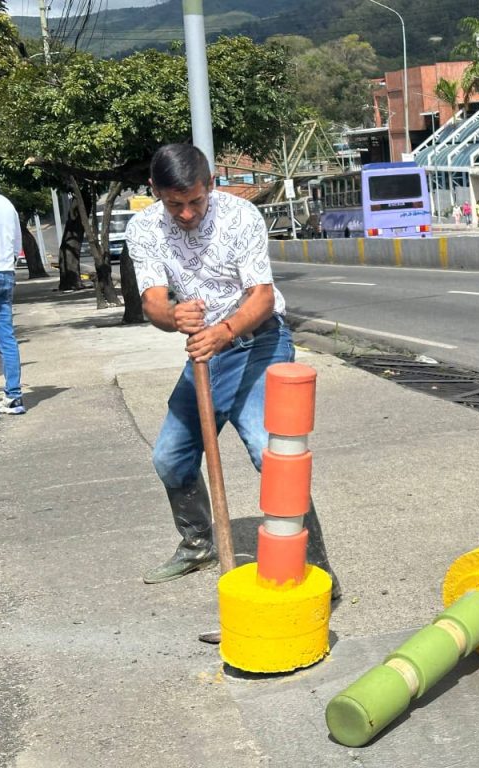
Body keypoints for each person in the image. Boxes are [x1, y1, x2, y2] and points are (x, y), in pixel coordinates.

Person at [126, 144, 339, 597]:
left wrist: (223, 331)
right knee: (170, 457)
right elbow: (152, 302)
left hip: (258, 341)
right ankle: (198, 543)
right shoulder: (143, 226)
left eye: (196, 201)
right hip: (206, 352)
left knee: (269, 451)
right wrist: (173, 318)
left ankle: (313, 567)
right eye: (174, 204)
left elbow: (261, 297)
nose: (186, 213)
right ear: (156, 193)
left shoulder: (240, 217)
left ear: (210, 186)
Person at [0, 190, 25, 416]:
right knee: (6, 337)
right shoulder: (6, 204)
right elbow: (17, 243)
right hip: (5, 272)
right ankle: (13, 397)